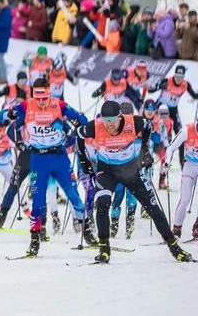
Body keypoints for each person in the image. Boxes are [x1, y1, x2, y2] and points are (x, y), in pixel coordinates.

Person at [77, 101, 192, 263]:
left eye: (112, 120)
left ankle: (174, 246)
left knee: (152, 206)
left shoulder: (134, 122)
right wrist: (83, 161)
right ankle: (104, 248)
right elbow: (78, 134)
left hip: (130, 171)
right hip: (107, 171)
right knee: (102, 204)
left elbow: (148, 127)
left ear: (120, 117)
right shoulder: (95, 126)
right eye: (105, 120)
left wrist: (144, 150)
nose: (108, 124)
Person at [0, 78, 93, 257]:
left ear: (49, 92)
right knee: (38, 200)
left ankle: (86, 231)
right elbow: (0, 115)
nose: (41, 102)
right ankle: (35, 239)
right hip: (38, 158)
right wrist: (8, 115)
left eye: (44, 97)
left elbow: (83, 119)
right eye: (37, 97)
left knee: (73, 194)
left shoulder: (59, 105)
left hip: (58, 157)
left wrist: (78, 123)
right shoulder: (26, 106)